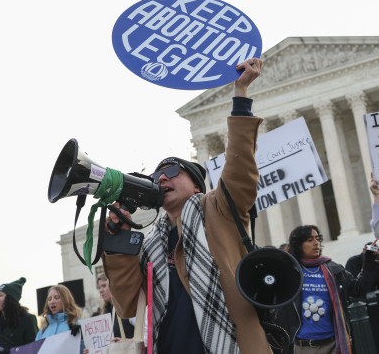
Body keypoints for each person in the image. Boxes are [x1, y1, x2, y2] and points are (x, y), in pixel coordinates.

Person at [103, 59, 271, 354]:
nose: (160, 179)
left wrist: (241, 93)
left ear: (196, 185)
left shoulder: (218, 210)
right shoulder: (149, 241)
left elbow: (240, 166)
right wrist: (118, 244)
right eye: (155, 177)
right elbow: (127, 305)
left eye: (170, 171)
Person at [287, 224, 371, 354]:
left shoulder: (334, 269)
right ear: (299, 245)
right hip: (303, 348)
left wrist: (369, 261)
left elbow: (358, 290)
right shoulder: (291, 273)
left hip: (334, 345)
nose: (316, 243)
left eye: (317, 238)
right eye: (310, 240)